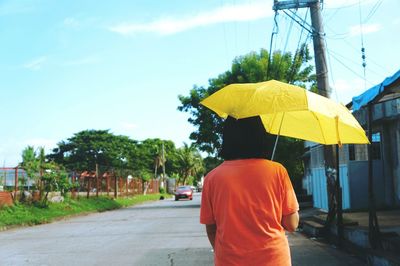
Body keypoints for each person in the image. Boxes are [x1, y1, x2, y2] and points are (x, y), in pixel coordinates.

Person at [200, 116, 299, 266]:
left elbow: (211, 228)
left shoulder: (212, 178)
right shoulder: (277, 171)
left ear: (226, 138)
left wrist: (224, 253)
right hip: (273, 259)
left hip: (228, 260)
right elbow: (292, 224)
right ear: (260, 136)